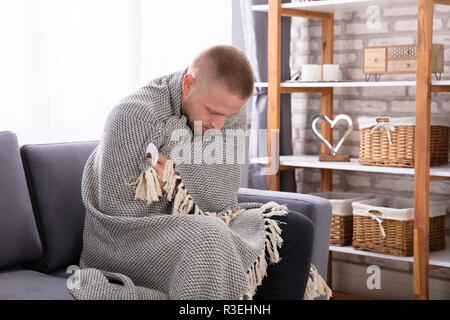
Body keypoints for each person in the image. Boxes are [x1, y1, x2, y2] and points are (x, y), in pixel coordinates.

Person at [71, 45, 325, 300]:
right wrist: (188, 174)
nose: (218, 126)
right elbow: (120, 211)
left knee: (296, 227)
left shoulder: (228, 108)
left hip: (205, 218)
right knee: (210, 235)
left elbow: (222, 198)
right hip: (126, 240)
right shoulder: (133, 117)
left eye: (227, 115)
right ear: (188, 83)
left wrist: (173, 173)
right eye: (213, 112)